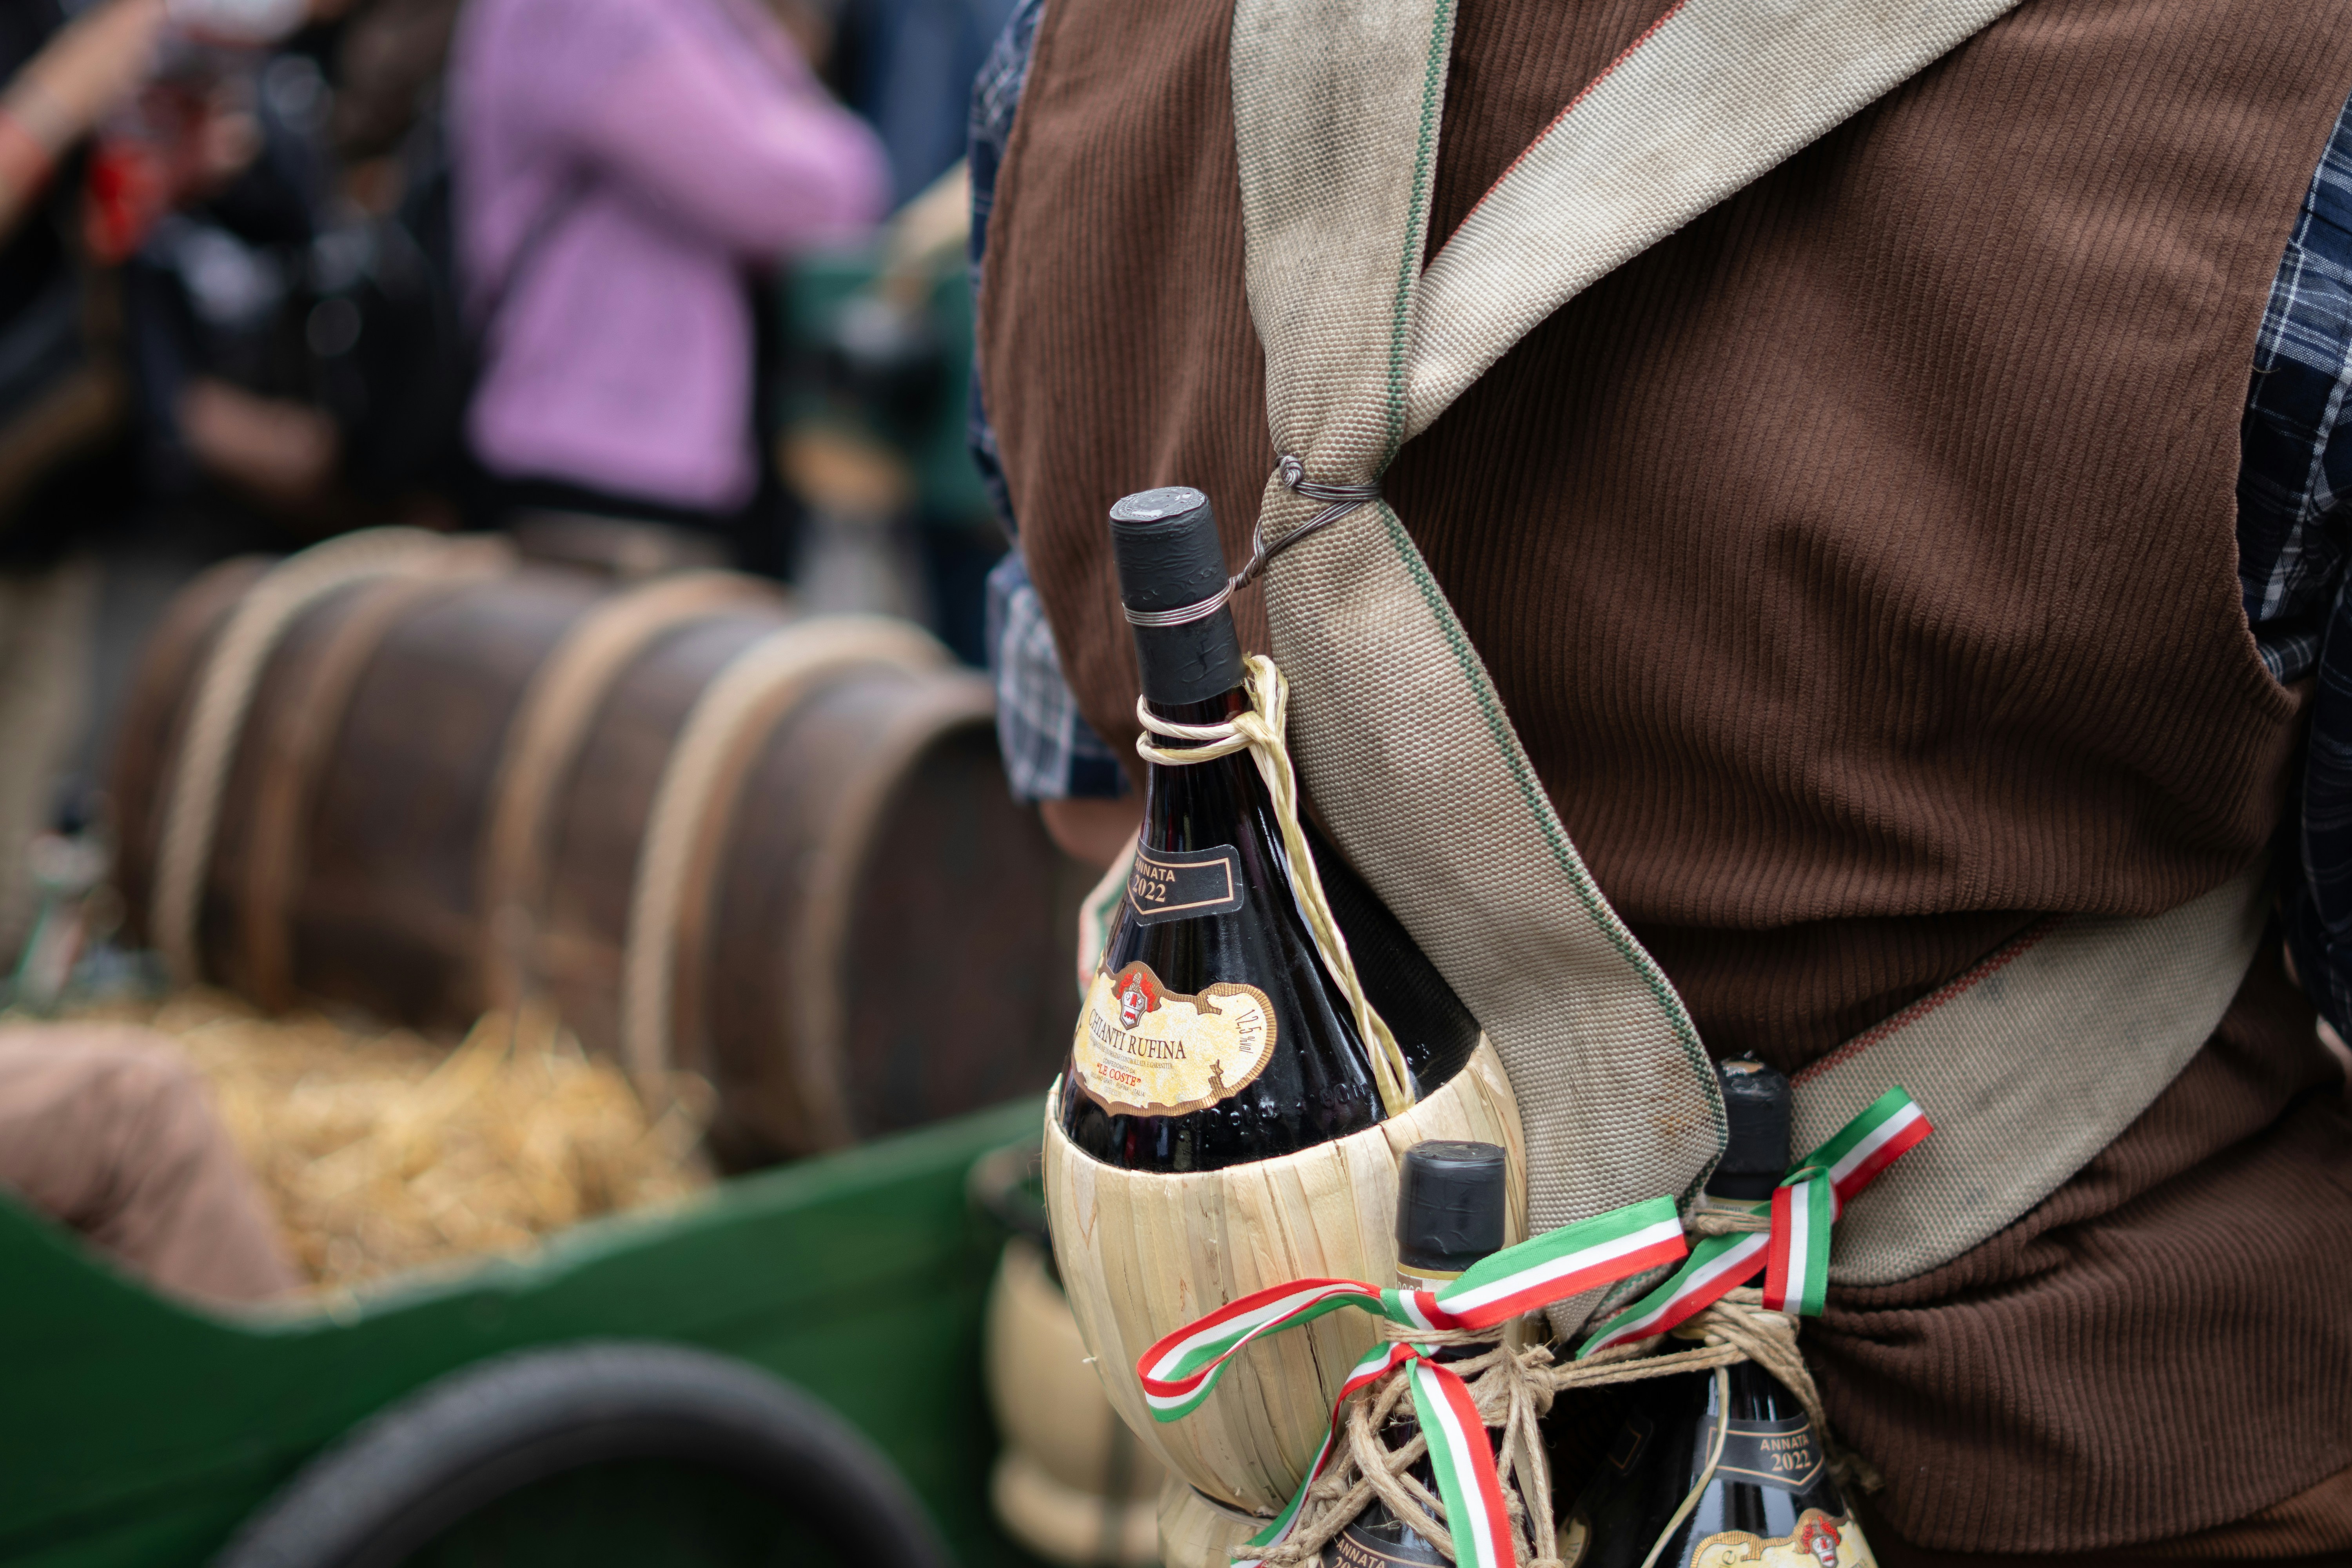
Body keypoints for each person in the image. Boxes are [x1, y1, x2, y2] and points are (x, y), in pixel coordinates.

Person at [969, 0, 2352, 1561]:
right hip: (2070, 1467)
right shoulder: (2292, 82)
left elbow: (1107, 813)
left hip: (1346, 1485)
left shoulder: (1071, 40)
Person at [448, 0, 888, 568]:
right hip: (605, 469)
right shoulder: (597, 14)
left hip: (645, 459)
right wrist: (829, 139)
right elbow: (793, 193)